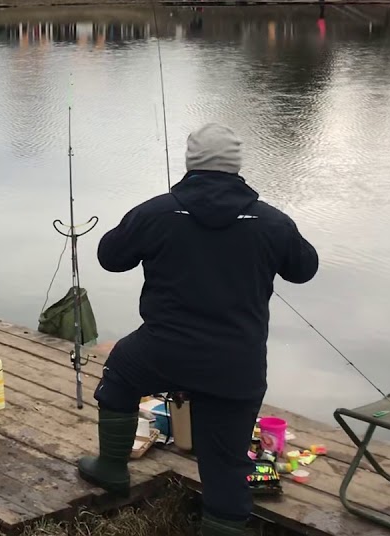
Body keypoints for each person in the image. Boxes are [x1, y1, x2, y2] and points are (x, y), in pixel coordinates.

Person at [77, 123, 319, 536]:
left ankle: (112, 471)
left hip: (161, 350)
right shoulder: (271, 222)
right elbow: (305, 269)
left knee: (119, 377)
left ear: (191, 163)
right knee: (226, 460)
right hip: (236, 364)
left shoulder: (157, 212)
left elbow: (109, 257)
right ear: (236, 166)